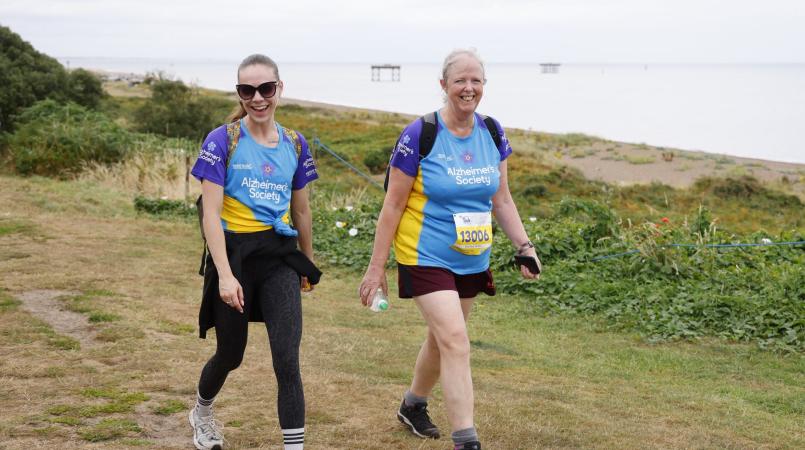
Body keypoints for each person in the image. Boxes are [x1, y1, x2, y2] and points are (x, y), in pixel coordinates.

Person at [358, 48, 541, 450]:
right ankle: (466, 440)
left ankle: (413, 404)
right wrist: (376, 268)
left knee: (443, 337)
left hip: (472, 256)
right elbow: (392, 204)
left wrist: (524, 246)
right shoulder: (421, 134)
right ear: (444, 85)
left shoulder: (492, 132)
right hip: (424, 254)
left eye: (476, 80)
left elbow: (503, 200)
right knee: (456, 339)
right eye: (460, 80)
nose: (469, 88)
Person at [188, 54, 321, 450]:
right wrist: (226, 275)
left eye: (265, 88)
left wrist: (306, 263)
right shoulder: (223, 140)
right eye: (248, 90)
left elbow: (301, 209)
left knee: (286, 359)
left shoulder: (296, 143)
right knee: (231, 353)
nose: (257, 98)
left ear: (279, 88)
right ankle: (202, 411)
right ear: (239, 93)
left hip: (278, 256)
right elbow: (209, 213)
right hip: (235, 255)